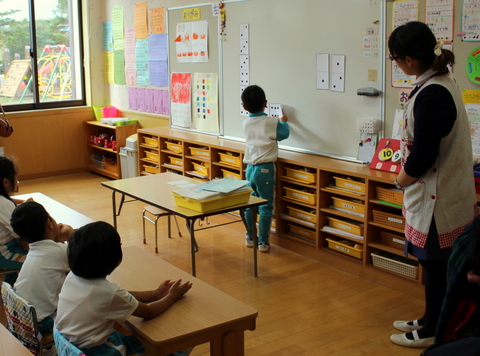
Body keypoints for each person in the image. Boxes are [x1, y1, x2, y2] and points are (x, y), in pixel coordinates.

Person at [388, 21, 478, 348]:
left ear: (409, 59)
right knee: (433, 266)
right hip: (438, 193)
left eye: (395, 59)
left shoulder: (434, 93)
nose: (396, 64)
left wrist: (400, 180)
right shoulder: (438, 82)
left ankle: (431, 333)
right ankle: (429, 319)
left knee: (437, 267)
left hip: (438, 198)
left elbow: (424, 153)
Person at [55, 221, 193, 356]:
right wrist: (172, 296)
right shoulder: (106, 292)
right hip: (100, 351)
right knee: (179, 342)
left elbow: (118, 296)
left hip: (74, 347)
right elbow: (149, 312)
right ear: (114, 257)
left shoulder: (73, 277)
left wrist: (155, 294)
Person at [10, 201, 73, 335]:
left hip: (22, 318)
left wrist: (57, 240)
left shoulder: (34, 251)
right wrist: (70, 234)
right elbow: (86, 257)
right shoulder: (58, 252)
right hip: (42, 323)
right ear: (49, 224)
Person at [241, 85, 290, 252]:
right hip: (265, 169)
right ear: (266, 103)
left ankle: (250, 236)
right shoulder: (271, 122)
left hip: (249, 169)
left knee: (250, 204)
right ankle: (263, 242)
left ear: (244, 107)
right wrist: (283, 121)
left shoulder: (246, 122)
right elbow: (284, 134)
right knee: (266, 206)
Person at [0, 156, 30, 284]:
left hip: (6, 248)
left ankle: (11, 288)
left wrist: (23, 203)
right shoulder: (4, 205)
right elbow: (21, 231)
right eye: (15, 177)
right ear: (6, 182)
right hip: (4, 253)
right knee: (36, 261)